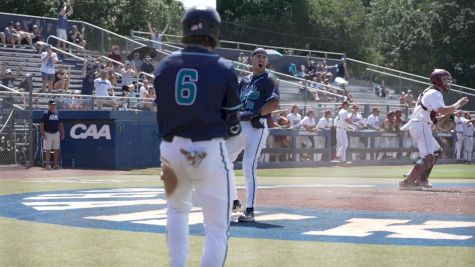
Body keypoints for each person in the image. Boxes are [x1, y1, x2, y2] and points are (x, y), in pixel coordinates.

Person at [153, 6, 241, 267]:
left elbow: (164, 109)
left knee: (177, 211)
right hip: (208, 148)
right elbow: (232, 121)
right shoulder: (224, 67)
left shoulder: (165, 65)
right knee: (216, 227)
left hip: (170, 148)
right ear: (214, 32)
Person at [226, 47, 280, 223]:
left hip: (257, 127)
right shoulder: (244, 81)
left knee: (248, 166)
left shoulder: (269, 79)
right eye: (258, 56)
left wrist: (256, 113)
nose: (262, 59)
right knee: (223, 160)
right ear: (251, 59)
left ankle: (249, 210)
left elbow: (274, 104)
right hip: (240, 126)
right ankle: (234, 201)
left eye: (264, 57)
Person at [399, 69, 469, 189]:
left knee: (436, 151)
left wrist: (439, 118)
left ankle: (422, 179)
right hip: (421, 125)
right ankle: (408, 182)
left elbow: (431, 111)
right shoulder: (435, 93)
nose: (447, 83)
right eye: (445, 80)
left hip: (419, 124)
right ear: (438, 81)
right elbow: (442, 109)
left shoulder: (428, 91)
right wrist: (458, 104)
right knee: (428, 158)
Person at [40, 99, 65, 170]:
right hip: (48, 133)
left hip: (56, 133)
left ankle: (55, 164)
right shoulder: (45, 114)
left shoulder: (57, 113)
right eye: (51, 105)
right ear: (49, 105)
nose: (53, 106)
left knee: (56, 149)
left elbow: (60, 124)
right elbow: (41, 124)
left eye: (54, 105)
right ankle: (47, 165)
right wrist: (43, 134)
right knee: (48, 149)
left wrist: (63, 133)